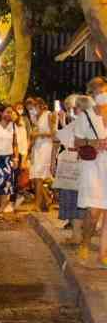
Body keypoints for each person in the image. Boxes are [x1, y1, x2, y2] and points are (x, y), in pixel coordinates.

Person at [74, 93, 107, 265]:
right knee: (94, 211)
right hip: (93, 167)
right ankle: (85, 242)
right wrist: (93, 142)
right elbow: (76, 141)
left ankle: (102, 254)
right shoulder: (86, 116)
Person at [0, 106, 27, 220]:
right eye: (7, 112)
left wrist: (16, 158)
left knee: (6, 186)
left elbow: (15, 144)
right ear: (1, 113)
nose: (10, 114)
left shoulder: (13, 126)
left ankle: (1, 210)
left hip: (8, 159)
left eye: (11, 112)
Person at [53, 96, 84, 240]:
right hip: (73, 163)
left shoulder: (82, 122)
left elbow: (61, 137)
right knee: (74, 198)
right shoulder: (78, 123)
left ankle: (77, 235)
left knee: (74, 198)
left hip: (75, 164)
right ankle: (76, 234)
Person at [26, 98, 55, 212]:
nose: (33, 109)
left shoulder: (49, 115)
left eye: (35, 106)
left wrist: (39, 134)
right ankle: (47, 199)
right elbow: (34, 132)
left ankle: (37, 204)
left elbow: (53, 133)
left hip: (46, 147)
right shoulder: (34, 117)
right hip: (36, 147)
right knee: (34, 176)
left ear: (41, 105)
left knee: (39, 176)